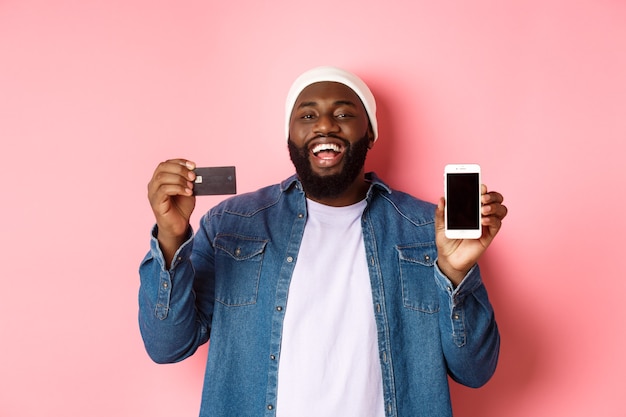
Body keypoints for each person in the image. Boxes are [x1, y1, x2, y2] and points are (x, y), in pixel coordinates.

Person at [139, 66, 508, 417]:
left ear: (371, 134)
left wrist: (456, 273)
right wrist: (171, 238)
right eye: (308, 116)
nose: (326, 125)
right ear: (290, 136)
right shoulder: (232, 224)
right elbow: (167, 345)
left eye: (345, 114)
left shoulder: (426, 229)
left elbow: (475, 370)